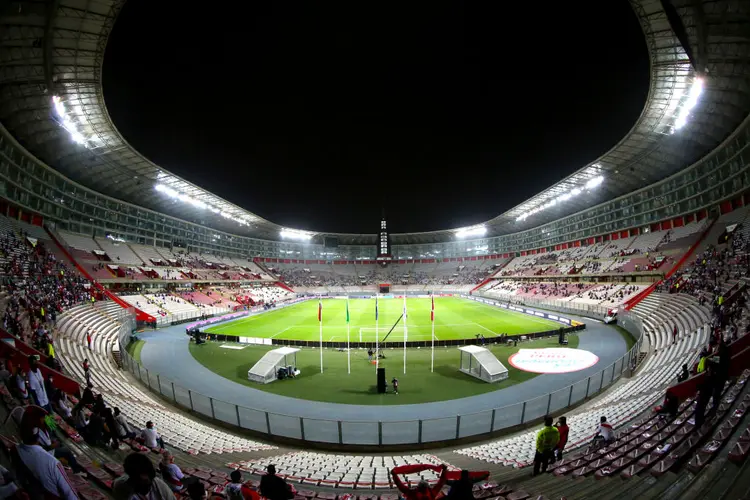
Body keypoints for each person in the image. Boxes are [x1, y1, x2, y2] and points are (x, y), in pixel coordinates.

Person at [15, 425, 78, 500]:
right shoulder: (53, 462)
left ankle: (76, 470)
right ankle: (77, 471)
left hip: (33, 488)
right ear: (38, 438)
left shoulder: (15, 449)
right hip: (47, 453)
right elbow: (69, 492)